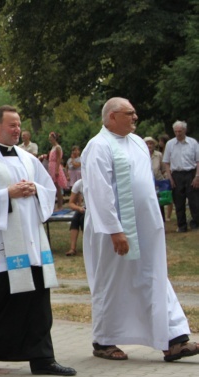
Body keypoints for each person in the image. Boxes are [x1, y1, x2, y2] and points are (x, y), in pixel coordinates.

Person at [81, 97, 199, 362]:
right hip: (113, 231)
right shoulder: (98, 147)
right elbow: (99, 192)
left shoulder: (136, 143)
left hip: (146, 228)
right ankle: (104, 340)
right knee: (111, 283)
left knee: (154, 276)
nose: (135, 117)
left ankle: (174, 340)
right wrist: (115, 230)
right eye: (129, 113)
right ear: (112, 116)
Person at [0, 105, 76, 377]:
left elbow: (48, 190)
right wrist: (7, 194)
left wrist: (35, 190)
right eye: (12, 125)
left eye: (18, 125)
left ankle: (42, 358)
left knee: (38, 302)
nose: (17, 130)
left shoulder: (29, 159)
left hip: (31, 242)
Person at [162, 120, 199, 232]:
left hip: (190, 173)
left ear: (185, 130)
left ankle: (195, 223)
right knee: (178, 201)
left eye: (180, 131)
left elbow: (198, 161)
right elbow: (166, 162)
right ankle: (181, 225)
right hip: (176, 174)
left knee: (194, 201)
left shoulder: (193, 143)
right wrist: (170, 177)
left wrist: (197, 176)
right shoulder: (170, 144)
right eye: (176, 131)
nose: (178, 133)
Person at [47, 132, 67, 210]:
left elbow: (58, 159)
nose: (50, 139)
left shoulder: (58, 147)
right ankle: (57, 204)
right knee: (54, 186)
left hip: (55, 166)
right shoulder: (53, 147)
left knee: (58, 186)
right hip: (51, 166)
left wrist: (57, 170)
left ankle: (60, 205)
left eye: (50, 138)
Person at [66, 179, 84, 257]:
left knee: (83, 219)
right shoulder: (79, 183)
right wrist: (78, 208)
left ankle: (88, 246)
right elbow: (71, 203)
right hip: (85, 208)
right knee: (75, 219)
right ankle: (72, 248)